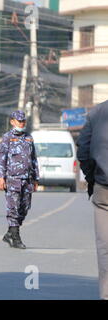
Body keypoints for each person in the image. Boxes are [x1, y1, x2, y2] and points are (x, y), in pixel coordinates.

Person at [77, 101, 108, 300]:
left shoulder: (96, 112)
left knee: (105, 246)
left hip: (103, 189)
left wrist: (91, 178)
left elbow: (83, 150)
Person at [0, 110, 39, 249]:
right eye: (19, 121)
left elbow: (33, 159)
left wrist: (36, 178)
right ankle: (16, 238)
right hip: (12, 179)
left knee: (25, 208)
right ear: (12, 121)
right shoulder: (7, 138)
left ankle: (9, 233)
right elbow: (1, 159)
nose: (22, 123)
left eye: (23, 121)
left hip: (27, 179)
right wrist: (0, 177)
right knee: (13, 208)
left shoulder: (29, 138)